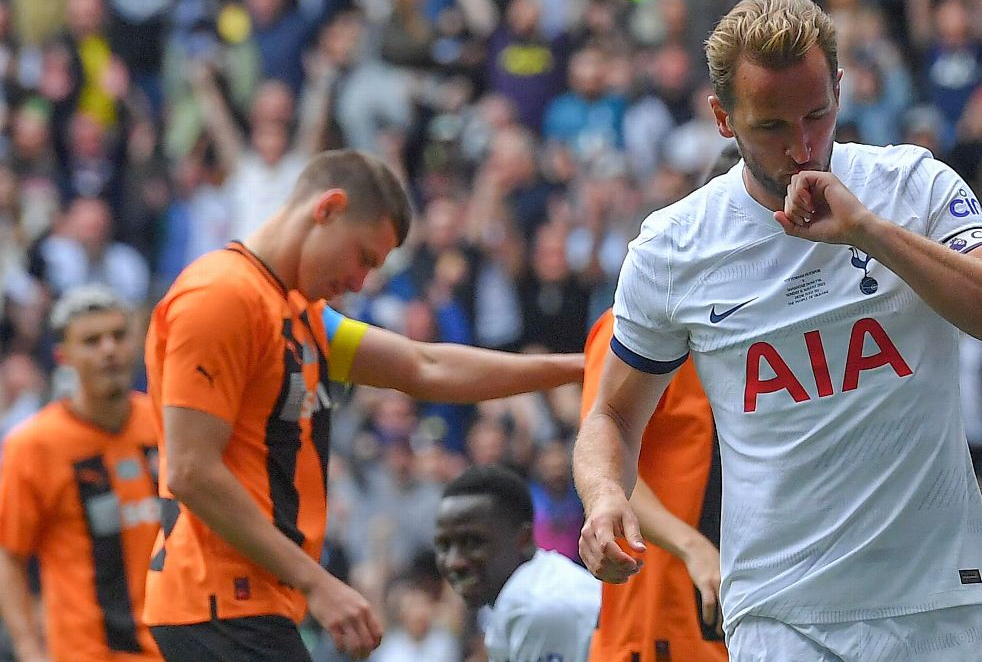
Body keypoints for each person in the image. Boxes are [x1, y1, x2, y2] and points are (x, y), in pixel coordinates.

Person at [573, 0, 982, 662]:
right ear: (722, 118)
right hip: (779, 613)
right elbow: (612, 419)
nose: (803, 145)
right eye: (772, 126)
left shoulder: (910, 186)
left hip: (937, 600)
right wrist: (602, 497)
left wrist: (870, 231)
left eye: (818, 113)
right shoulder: (674, 247)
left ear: (840, 87)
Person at [142, 149, 585, 661]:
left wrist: (581, 366)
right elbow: (192, 471)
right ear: (327, 209)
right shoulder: (220, 296)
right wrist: (319, 584)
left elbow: (425, 366)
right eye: (363, 257)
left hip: (251, 602)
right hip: (216, 600)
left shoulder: (298, 313)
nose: (360, 282)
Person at [0, 285, 163, 662]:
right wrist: (28, 648)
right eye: (91, 341)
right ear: (63, 356)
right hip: (86, 652)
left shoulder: (164, 421)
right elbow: (9, 556)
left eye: (119, 336)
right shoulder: (34, 445)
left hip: (175, 649)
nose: (109, 349)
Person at [581, 308, 728, 662]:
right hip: (657, 622)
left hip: (734, 614)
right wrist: (694, 548)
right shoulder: (633, 323)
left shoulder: (743, 324)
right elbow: (604, 457)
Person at [433, 465, 601, 662]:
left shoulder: (537, 607)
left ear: (524, 539)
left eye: (472, 542)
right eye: (444, 546)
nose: (454, 563)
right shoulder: (526, 591)